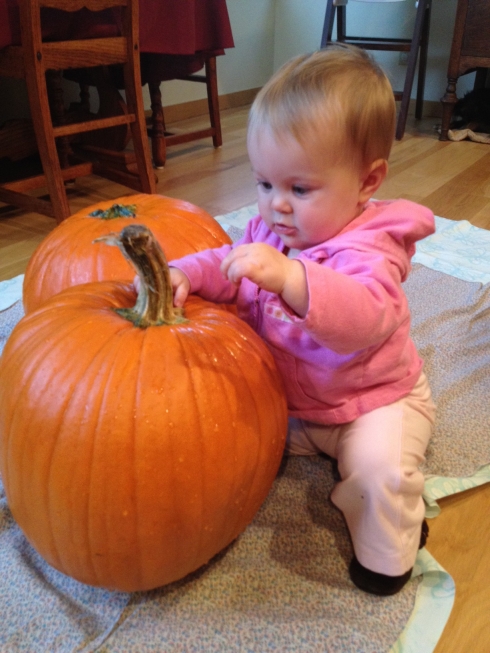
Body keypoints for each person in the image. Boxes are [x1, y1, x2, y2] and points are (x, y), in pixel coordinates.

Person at [164, 44, 436, 596]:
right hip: (293, 404)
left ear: (366, 182)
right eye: (265, 184)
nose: (276, 206)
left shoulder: (371, 249)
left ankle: (390, 550)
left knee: (379, 475)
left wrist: (291, 279)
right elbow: (229, 269)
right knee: (210, 443)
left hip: (373, 401)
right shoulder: (272, 232)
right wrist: (186, 274)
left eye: (299, 188)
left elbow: (363, 318)